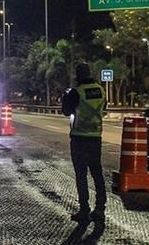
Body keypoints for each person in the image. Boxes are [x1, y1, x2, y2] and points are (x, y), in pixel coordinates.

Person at [62, 63, 107, 223]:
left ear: (78, 76)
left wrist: (65, 96)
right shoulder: (101, 90)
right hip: (96, 137)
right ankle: (100, 209)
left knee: (81, 175)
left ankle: (84, 210)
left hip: (79, 138)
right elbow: (104, 109)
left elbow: (66, 111)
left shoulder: (76, 92)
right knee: (97, 173)